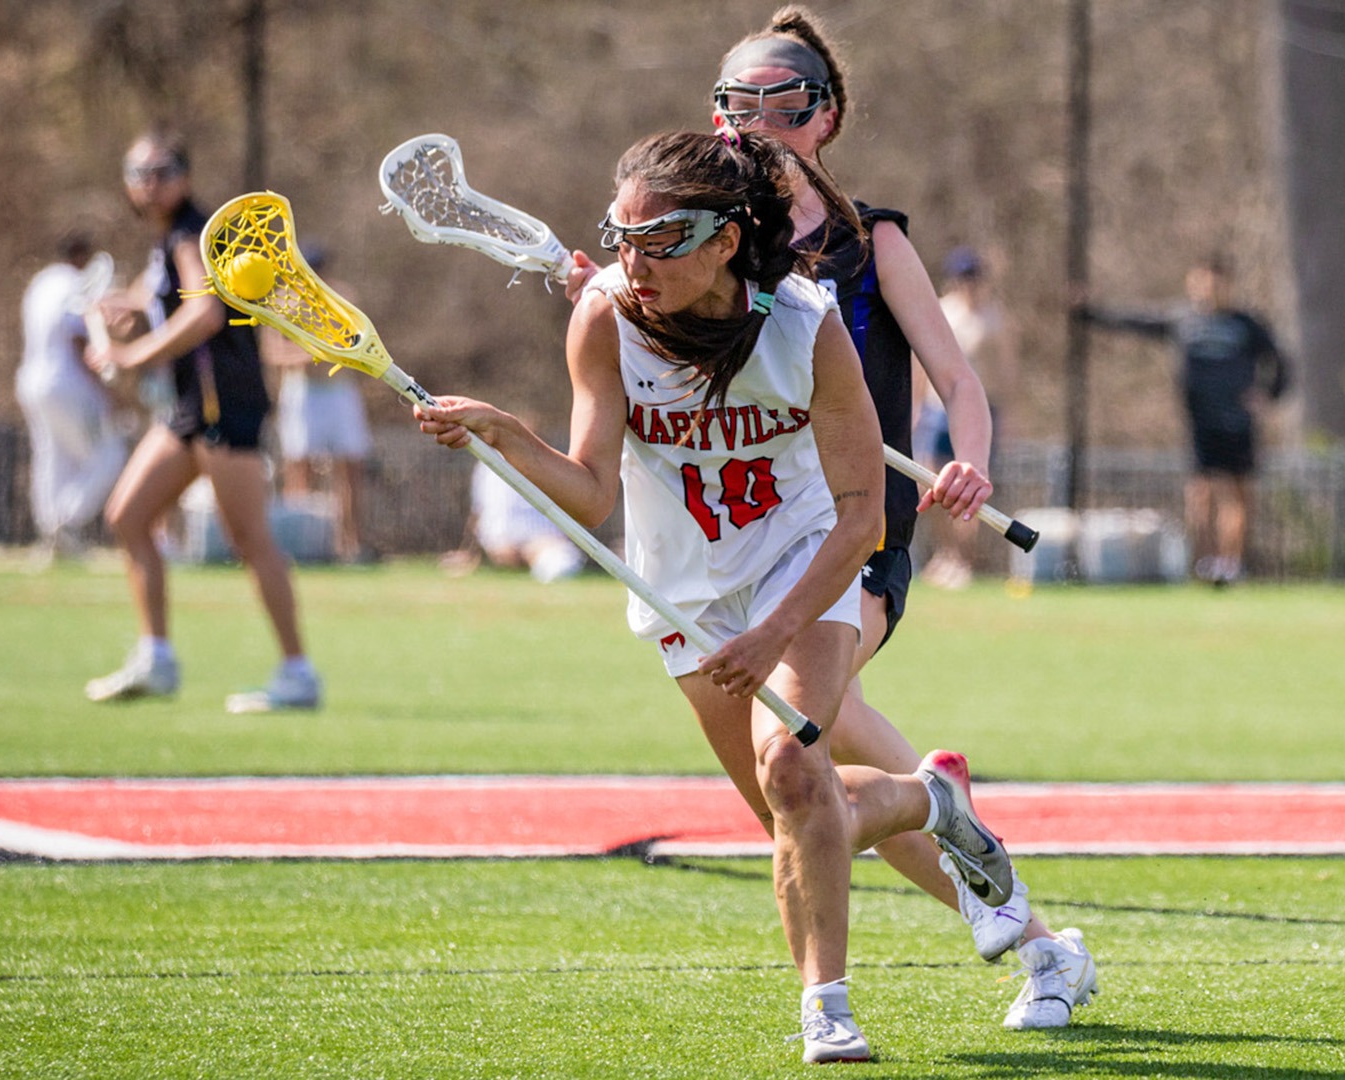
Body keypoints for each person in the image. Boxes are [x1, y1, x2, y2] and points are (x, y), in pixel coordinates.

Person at [418, 129, 1018, 1065]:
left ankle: (826, 1009)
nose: (635, 263)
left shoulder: (806, 325)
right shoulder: (604, 319)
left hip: (799, 561)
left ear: (726, 240)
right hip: (682, 591)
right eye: (622, 239)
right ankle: (929, 800)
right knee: (795, 816)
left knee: (794, 774)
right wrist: (504, 435)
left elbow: (861, 514)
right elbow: (591, 491)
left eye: (661, 242)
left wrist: (774, 631)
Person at [560, 7, 1095, 1032]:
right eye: (738, 103)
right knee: (815, 802)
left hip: (847, 532)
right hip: (725, 548)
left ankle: (938, 942)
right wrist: (642, 289)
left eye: (785, 103)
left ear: (827, 117)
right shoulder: (690, 230)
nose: (758, 121)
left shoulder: (869, 240)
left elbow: (957, 380)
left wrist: (970, 463)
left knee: (802, 781)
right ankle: (1032, 935)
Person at [82, 128, 323, 713]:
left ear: (184, 178)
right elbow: (162, 294)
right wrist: (130, 307)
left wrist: (132, 355)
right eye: (139, 173)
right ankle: (156, 659)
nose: (150, 184)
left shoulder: (191, 234)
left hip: (224, 405)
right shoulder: (167, 240)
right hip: (191, 410)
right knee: (128, 516)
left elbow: (206, 313)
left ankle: (297, 673)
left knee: (250, 538)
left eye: (162, 172)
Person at [1074, 254, 1291, 585]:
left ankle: (1230, 566)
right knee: (1201, 494)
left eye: (1216, 283)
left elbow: (1280, 361)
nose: (1209, 290)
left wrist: (1268, 395)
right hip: (1201, 424)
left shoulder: (1246, 325)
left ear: (1228, 285)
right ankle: (1204, 564)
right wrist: (1088, 312)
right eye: (1202, 282)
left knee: (1237, 495)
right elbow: (1136, 321)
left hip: (1238, 424)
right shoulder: (1185, 320)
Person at [16, 231, 129, 563]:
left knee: (52, 455)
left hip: (31, 380)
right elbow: (78, 339)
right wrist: (108, 392)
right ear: (82, 257)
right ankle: (65, 522)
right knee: (110, 455)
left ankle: (50, 531)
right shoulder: (75, 284)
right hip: (68, 385)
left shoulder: (40, 282)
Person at [915, 245, 1018, 590]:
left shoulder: (994, 319)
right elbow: (923, 361)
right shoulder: (944, 311)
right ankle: (946, 552)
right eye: (963, 279)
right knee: (930, 482)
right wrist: (916, 404)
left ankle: (963, 560)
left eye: (974, 278)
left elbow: (1006, 370)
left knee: (970, 485)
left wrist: (1008, 413)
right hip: (937, 409)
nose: (969, 285)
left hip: (979, 409)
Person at [266, 244, 372, 563]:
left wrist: (333, 352)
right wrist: (312, 353)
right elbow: (273, 353)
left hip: (339, 390)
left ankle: (351, 544)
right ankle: (300, 542)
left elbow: (357, 345)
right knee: (300, 466)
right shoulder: (284, 302)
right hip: (303, 392)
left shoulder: (343, 298)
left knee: (349, 466)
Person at [440, 458, 587, 584]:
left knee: (562, 561)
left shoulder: (543, 462)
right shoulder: (487, 465)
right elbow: (479, 513)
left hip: (540, 538)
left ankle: (548, 565)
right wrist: (472, 554)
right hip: (501, 540)